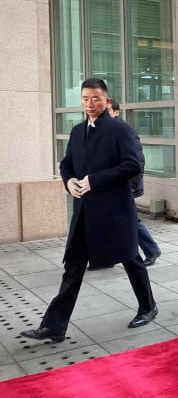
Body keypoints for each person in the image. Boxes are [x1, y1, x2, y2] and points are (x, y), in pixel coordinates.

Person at [20, 78, 157, 344]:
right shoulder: (77, 131)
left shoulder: (120, 130)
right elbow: (67, 164)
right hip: (84, 213)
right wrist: (69, 181)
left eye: (94, 98)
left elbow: (133, 165)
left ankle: (148, 306)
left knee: (131, 258)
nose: (89, 104)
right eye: (84, 99)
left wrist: (94, 180)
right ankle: (54, 326)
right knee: (73, 266)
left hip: (115, 210)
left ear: (106, 101)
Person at [107, 100, 162, 266]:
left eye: (107, 110)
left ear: (116, 112)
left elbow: (137, 160)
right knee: (110, 218)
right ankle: (109, 255)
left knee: (129, 219)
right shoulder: (105, 130)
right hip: (111, 183)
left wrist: (132, 184)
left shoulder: (124, 130)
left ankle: (151, 250)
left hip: (125, 184)